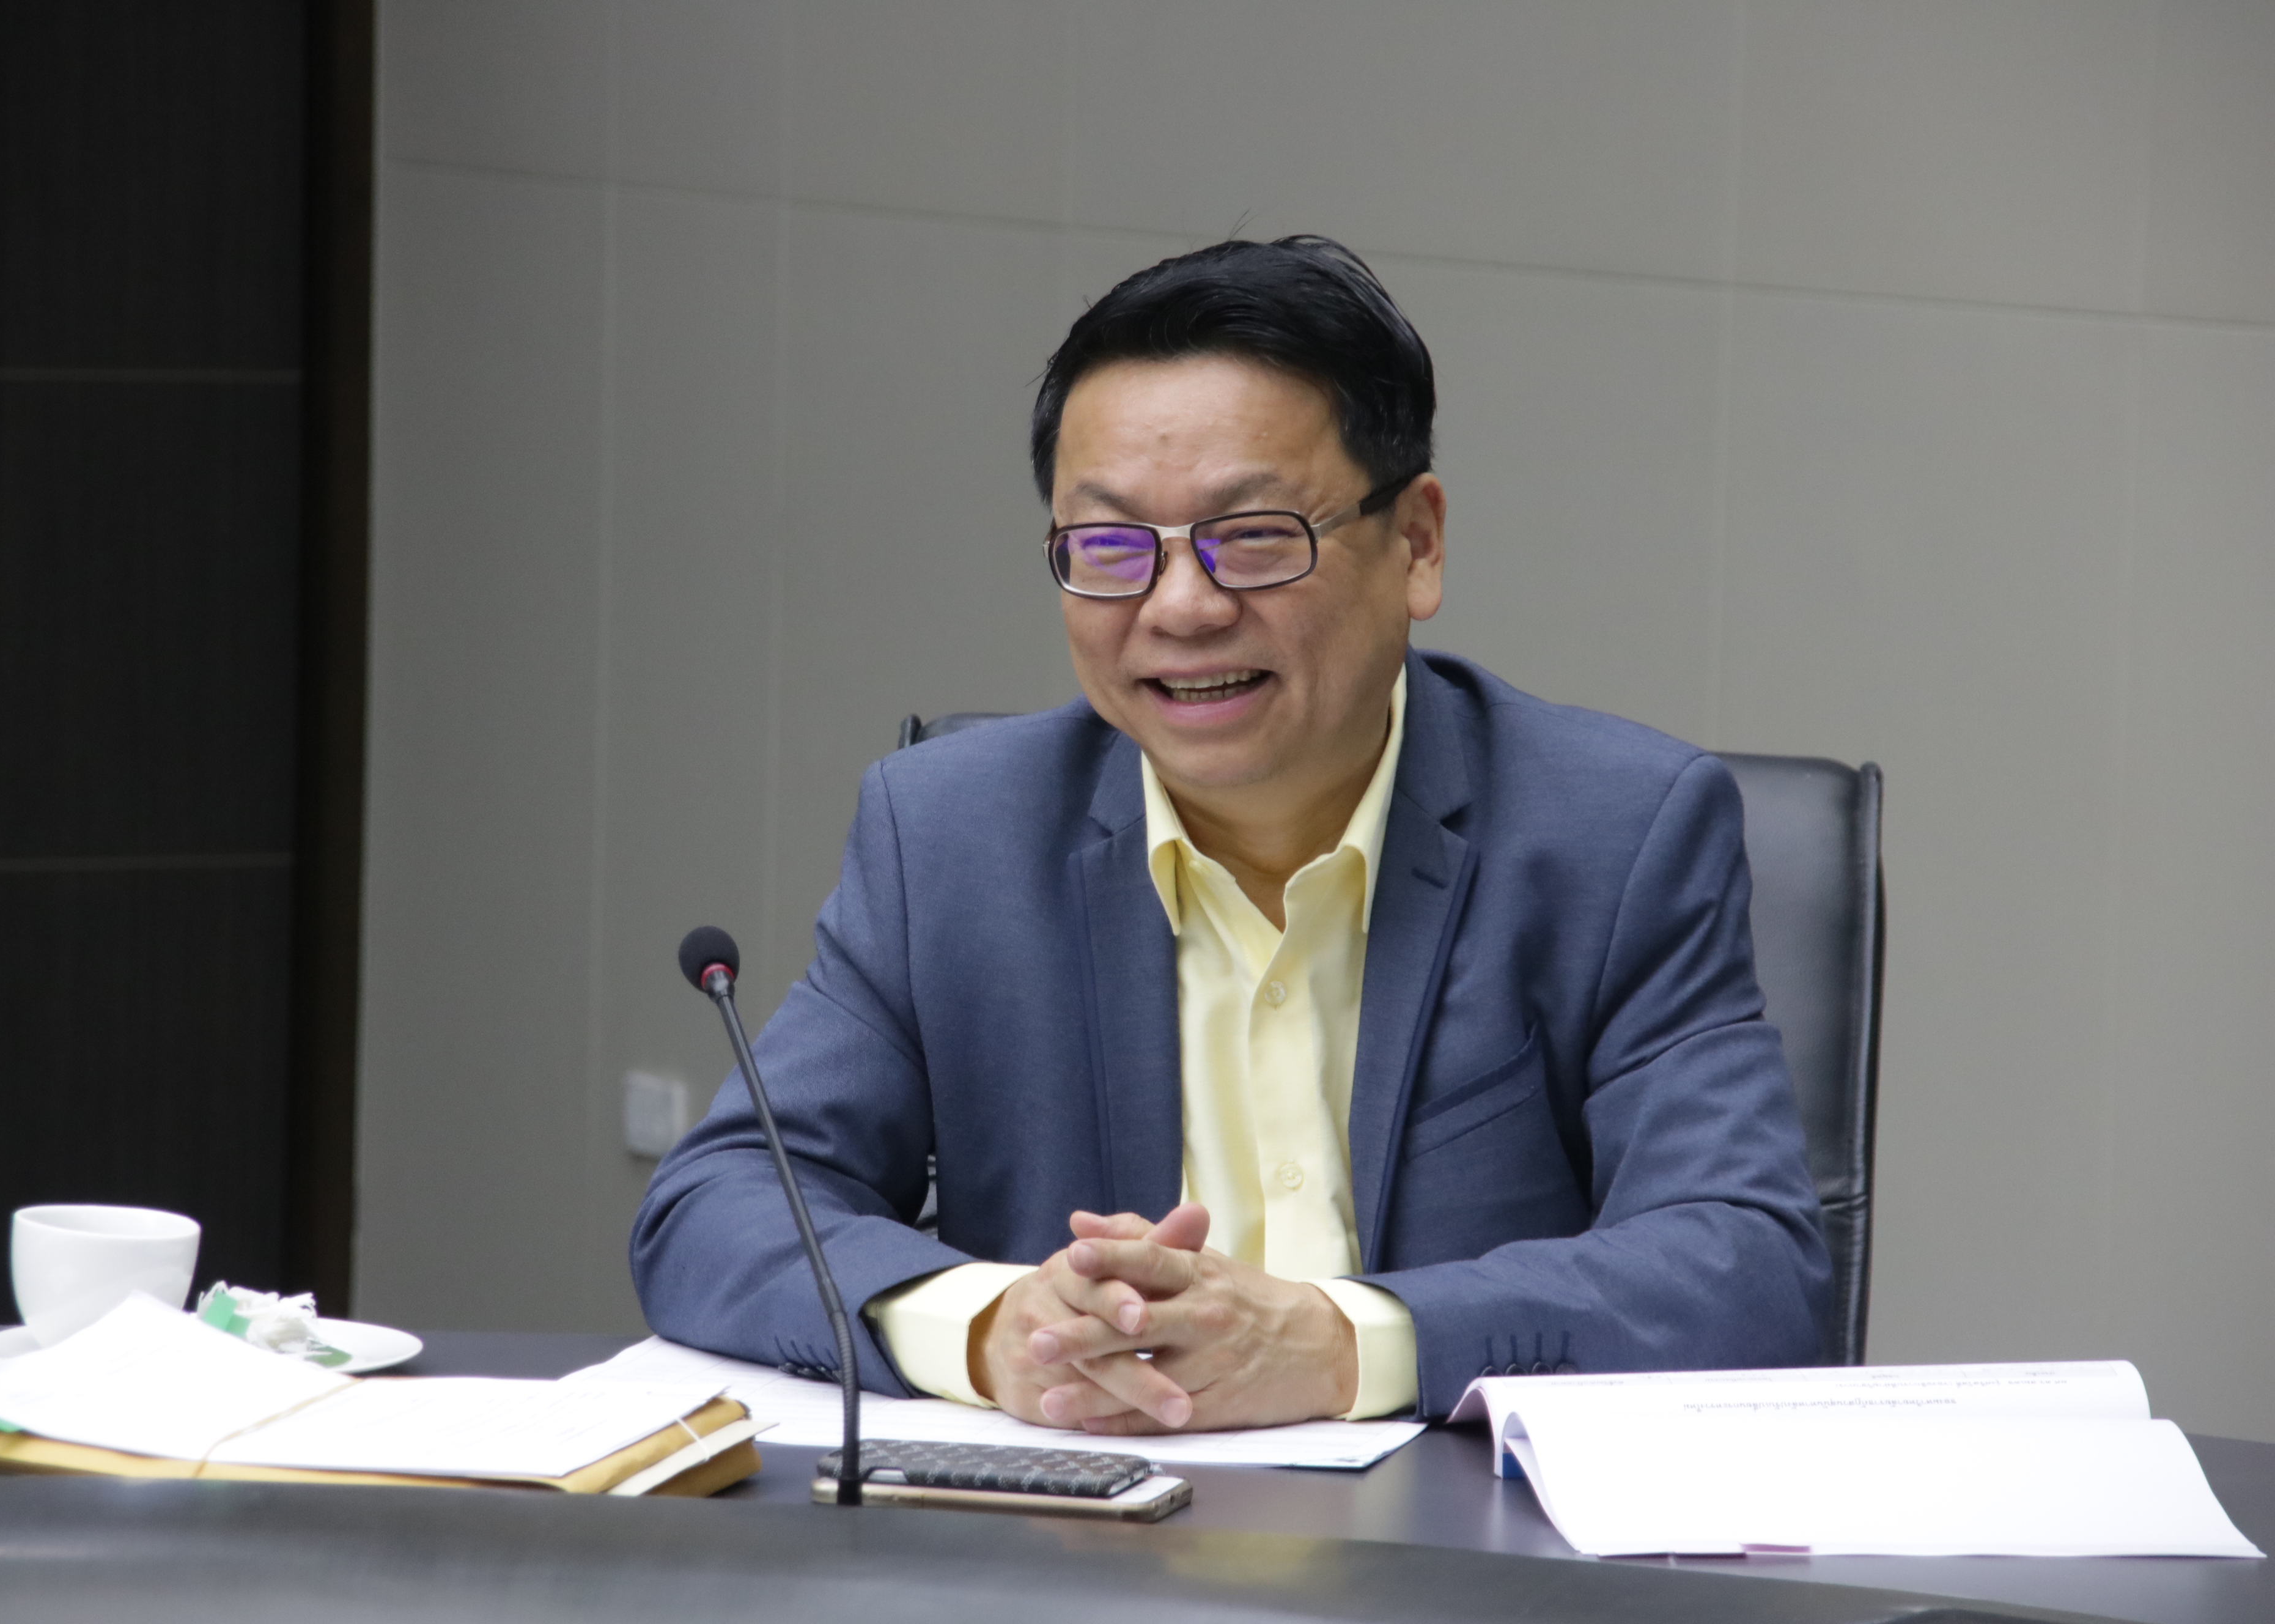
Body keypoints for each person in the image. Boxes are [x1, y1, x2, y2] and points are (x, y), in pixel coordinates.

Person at [633, 236, 1829, 1433]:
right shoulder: (950, 836)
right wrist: (997, 1330)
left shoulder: (1614, 834)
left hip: (1451, 1532)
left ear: (1416, 544)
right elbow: (719, 1204)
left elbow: (1747, 1267)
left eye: (1253, 535)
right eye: (1110, 547)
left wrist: (1341, 1345)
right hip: (1072, 1525)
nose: (1181, 607)